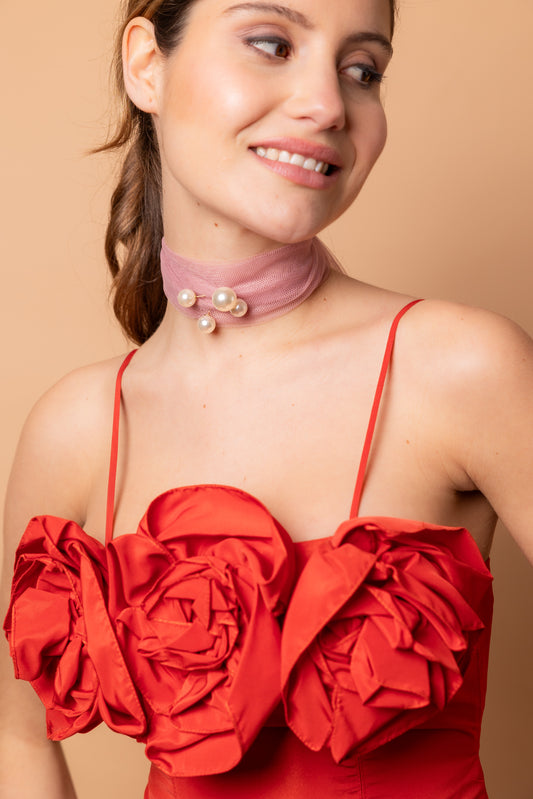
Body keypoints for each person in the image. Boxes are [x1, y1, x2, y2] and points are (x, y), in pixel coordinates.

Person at [1, 0, 532, 797]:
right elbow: (17, 738)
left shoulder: (461, 367)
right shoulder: (77, 426)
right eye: (270, 44)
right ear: (146, 65)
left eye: (362, 70)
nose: (327, 104)